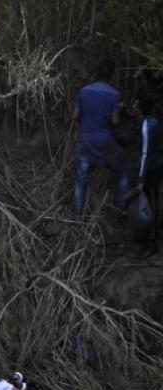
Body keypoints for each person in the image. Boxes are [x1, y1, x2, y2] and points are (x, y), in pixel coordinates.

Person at [72, 60, 130, 217]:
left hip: (86, 139)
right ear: (111, 76)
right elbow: (115, 121)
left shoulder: (84, 91)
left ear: (96, 74)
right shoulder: (114, 94)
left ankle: (77, 218)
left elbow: (75, 116)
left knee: (81, 181)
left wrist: (85, 124)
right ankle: (123, 210)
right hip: (105, 140)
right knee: (123, 171)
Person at [132, 97, 163, 251]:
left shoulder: (146, 126)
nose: (133, 106)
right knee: (154, 201)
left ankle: (151, 241)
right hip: (158, 167)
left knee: (148, 204)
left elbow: (145, 153)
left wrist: (141, 179)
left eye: (135, 104)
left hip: (151, 170)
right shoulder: (154, 121)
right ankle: (153, 235)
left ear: (140, 109)